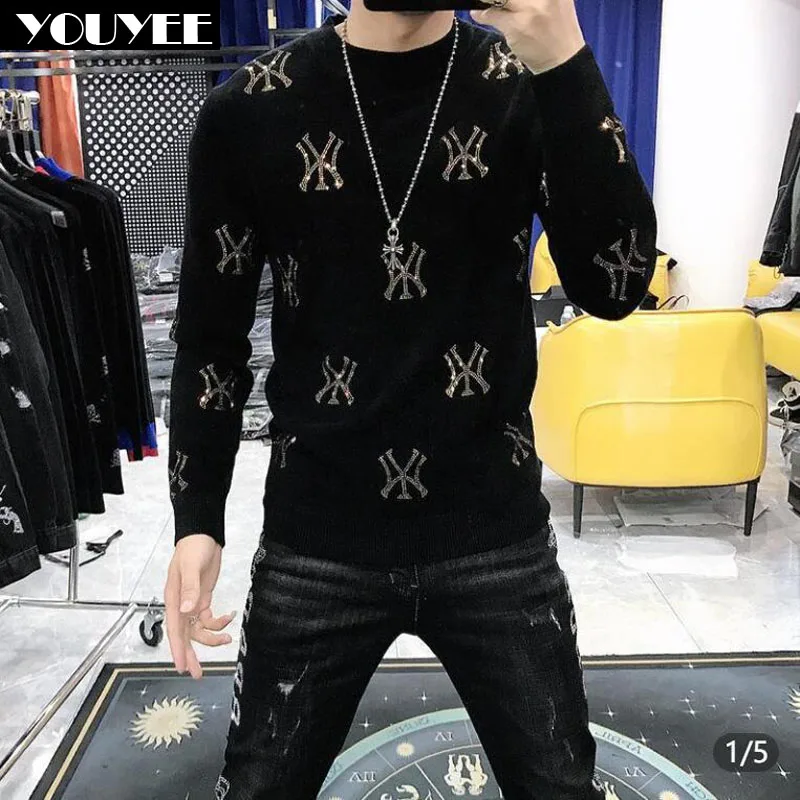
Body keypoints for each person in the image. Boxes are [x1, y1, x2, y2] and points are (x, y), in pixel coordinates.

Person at [163, 0, 657, 797]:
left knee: (560, 786)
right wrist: (197, 518)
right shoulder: (251, 107)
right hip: (318, 532)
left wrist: (565, 58)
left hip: (493, 527)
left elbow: (616, 286)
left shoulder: (521, 83)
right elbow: (210, 339)